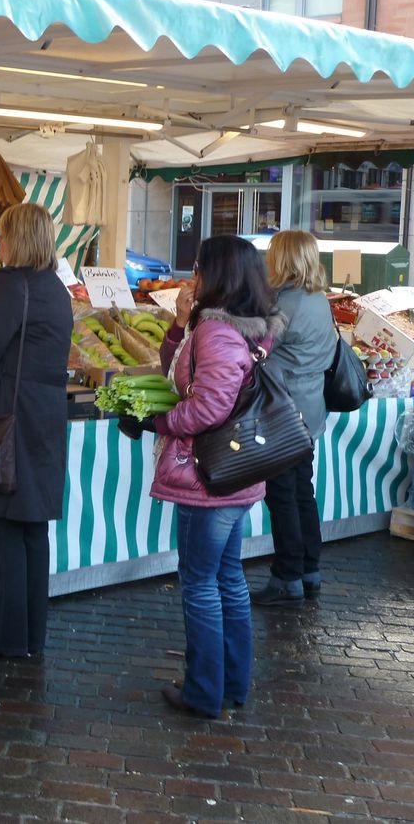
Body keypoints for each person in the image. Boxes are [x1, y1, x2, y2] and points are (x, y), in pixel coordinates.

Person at [119, 235, 283, 718]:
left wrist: (158, 422)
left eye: (198, 268)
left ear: (218, 276)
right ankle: (232, 684)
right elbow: (180, 375)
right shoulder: (248, 330)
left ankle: (203, 690)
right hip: (239, 476)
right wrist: (179, 323)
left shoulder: (216, 333)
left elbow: (207, 406)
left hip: (207, 479)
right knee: (228, 578)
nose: (192, 276)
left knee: (200, 583)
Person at [0, 203, 72, 660]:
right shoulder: (56, 289)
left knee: (2, 532)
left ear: (15, 239)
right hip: (43, 421)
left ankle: (2, 636)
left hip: (7, 421)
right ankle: (30, 636)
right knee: (31, 530)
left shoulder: (10, 284)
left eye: (1, 236)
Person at [251, 231, 335, 606]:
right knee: (303, 490)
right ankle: (309, 570)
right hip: (311, 408)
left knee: (282, 494)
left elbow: (256, 350)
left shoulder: (284, 305)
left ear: (282, 260)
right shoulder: (320, 301)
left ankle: (287, 576)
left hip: (282, 410)